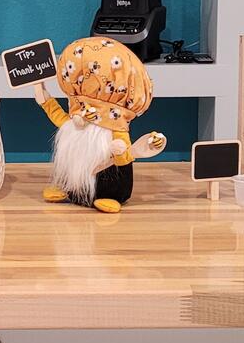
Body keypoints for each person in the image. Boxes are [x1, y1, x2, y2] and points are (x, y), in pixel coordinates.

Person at [33, 37, 166, 213]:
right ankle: (69, 188)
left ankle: (109, 195)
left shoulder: (114, 129)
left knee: (110, 173)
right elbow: (59, 116)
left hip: (107, 188)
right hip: (74, 185)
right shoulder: (74, 124)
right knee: (71, 162)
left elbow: (125, 158)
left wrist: (120, 153)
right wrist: (42, 96)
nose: (85, 115)